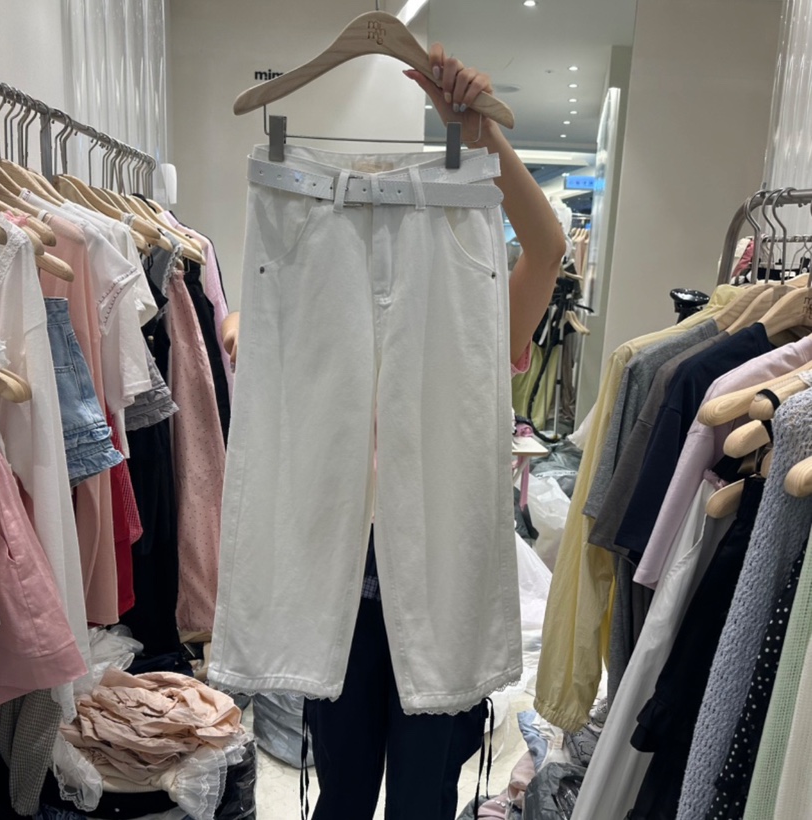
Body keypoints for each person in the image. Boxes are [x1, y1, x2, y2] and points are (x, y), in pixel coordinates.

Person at [221, 43, 565, 820]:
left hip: (441, 580)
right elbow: (258, 335)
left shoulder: (472, 315)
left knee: (423, 795)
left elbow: (546, 249)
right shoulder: (309, 313)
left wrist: (482, 137)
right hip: (337, 589)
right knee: (342, 791)